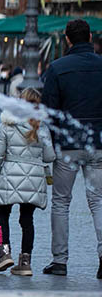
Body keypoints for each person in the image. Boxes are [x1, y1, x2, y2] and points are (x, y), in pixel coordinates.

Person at [40, 18, 102, 278]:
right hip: (98, 142)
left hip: (67, 145)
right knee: (98, 201)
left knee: (61, 203)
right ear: (90, 38)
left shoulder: (57, 68)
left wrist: (51, 143)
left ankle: (60, 260)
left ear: (67, 39)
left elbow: (48, 112)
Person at [0, 87, 56, 277]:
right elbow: (50, 156)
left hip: (9, 176)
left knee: (2, 214)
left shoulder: (7, 124)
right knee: (27, 220)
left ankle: (4, 253)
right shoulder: (42, 127)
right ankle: (25, 262)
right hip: (34, 180)